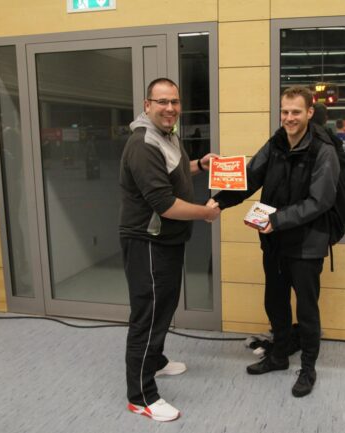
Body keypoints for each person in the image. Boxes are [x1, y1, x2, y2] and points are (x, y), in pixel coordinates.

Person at [209, 86, 339, 398]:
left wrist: (277, 220)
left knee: (306, 309)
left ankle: (308, 368)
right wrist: (219, 202)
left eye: (296, 112)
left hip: (307, 244)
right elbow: (251, 176)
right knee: (275, 301)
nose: (289, 118)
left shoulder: (323, 151)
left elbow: (320, 201)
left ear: (309, 113)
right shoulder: (276, 143)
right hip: (275, 241)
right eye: (285, 111)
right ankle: (279, 355)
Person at [119, 77, 220, 422]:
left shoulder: (166, 135)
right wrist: (205, 213)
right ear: (147, 105)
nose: (170, 108)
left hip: (167, 240)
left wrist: (200, 165)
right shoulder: (143, 143)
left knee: (164, 305)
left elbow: (171, 174)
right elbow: (164, 203)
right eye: (162, 102)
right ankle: (141, 396)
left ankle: (155, 360)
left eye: (174, 101)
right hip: (148, 241)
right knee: (148, 314)